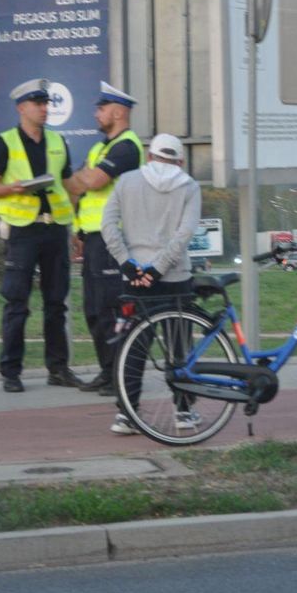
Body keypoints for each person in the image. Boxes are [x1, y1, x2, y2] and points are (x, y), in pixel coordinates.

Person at [0, 78, 83, 393]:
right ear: (21, 108)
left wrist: (76, 228)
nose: (44, 109)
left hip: (54, 229)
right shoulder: (5, 142)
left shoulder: (57, 141)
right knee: (17, 303)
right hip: (23, 231)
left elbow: (69, 187)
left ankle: (58, 368)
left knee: (56, 303)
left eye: (46, 103)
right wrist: (14, 188)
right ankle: (11, 372)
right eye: (38, 104)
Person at [101, 133, 201, 435]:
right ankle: (183, 411)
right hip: (175, 277)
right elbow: (185, 233)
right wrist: (158, 269)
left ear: (149, 156)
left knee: (133, 347)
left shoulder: (126, 182)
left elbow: (108, 226)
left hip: (134, 281)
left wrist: (129, 265)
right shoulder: (189, 186)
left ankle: (127, 414)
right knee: (179, 346)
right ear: (180, 161)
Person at [67, 82, 145, 397]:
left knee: (113, 309)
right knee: (94, 309)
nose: (96, 113)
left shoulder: (127, 146)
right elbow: (77, 187)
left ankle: (120, 376)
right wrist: (78, 230)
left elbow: (94, 180)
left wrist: (76, 178)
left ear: (118, 111)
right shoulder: (99, 148)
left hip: (115, 240)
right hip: (93, 239)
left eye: (101, 108)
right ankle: (106, 370)